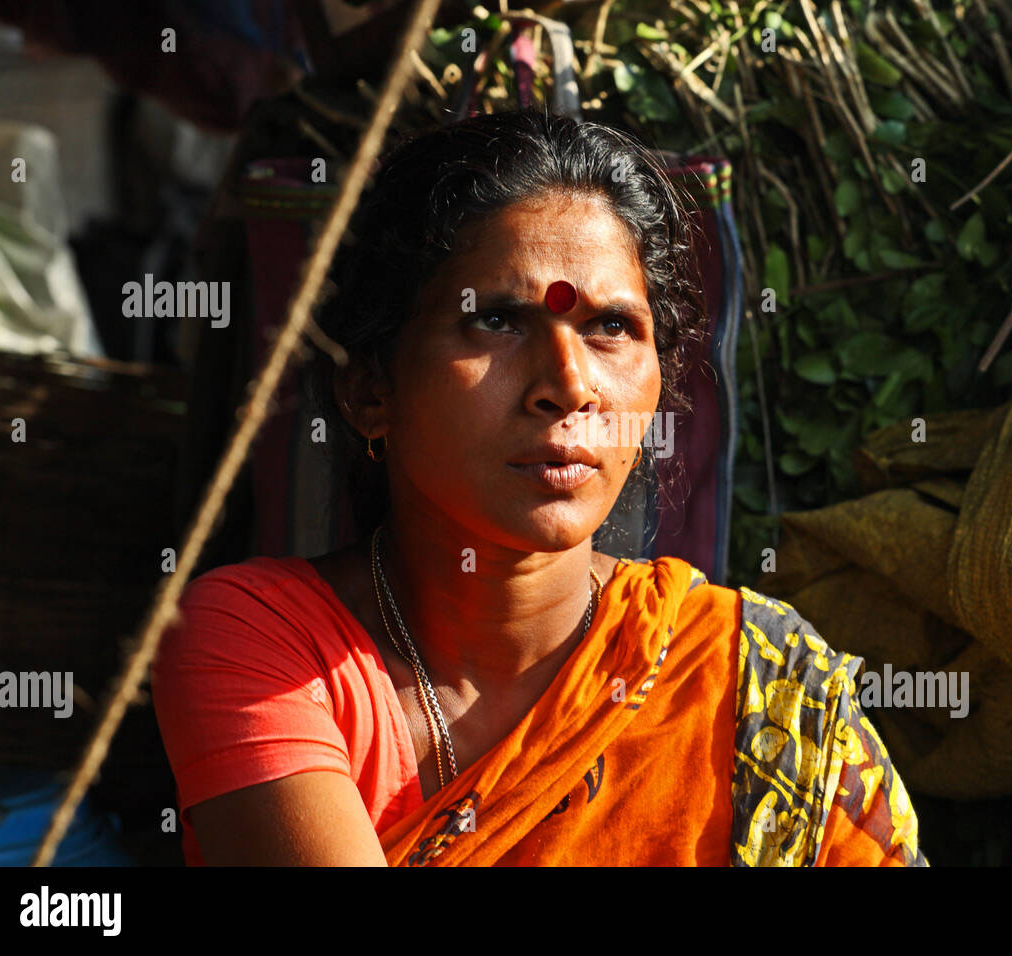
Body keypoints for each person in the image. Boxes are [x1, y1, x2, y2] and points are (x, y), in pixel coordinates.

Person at [151, 108, 928, 866]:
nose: (567, 384)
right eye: (496, 321)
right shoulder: (264, 645)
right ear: (370, 392)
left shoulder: (749, 677)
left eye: (612, 327)